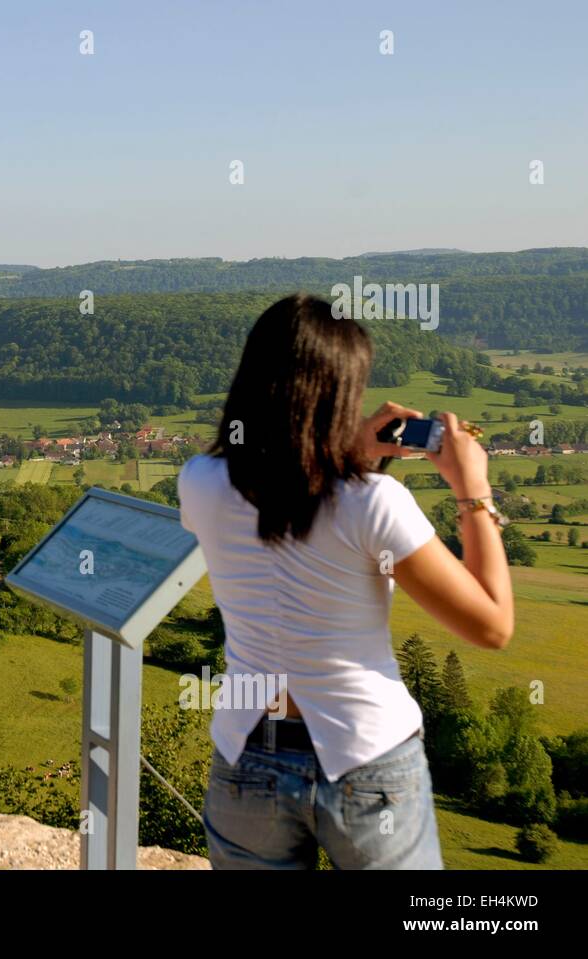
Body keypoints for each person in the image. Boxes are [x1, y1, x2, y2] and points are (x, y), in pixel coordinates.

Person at [178, 294, 513, 870]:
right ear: (342, 393)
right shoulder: (374, 504)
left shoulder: (201, 483)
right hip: (367, 759)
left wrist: (348, 450)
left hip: (246, 753)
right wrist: (472, 491)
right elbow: (492, 626)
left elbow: (287, 505)